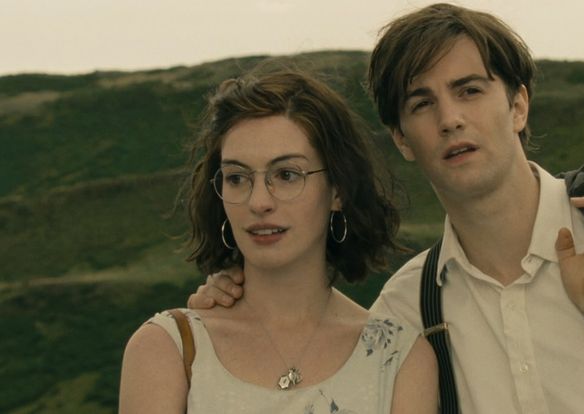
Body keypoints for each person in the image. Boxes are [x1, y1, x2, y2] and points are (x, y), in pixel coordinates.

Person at [187, 4, 584, 413]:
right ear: (402, 139)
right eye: (421, 103)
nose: (449, 118)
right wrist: (237, 309)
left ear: (518, 104)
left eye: (469, 90)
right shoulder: (406, 310)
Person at [118, 70, 438, 413]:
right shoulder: (167, 349)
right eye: (237, 177)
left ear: (338, 189)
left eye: (286, 175)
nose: (259, 202)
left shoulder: (399, 360)